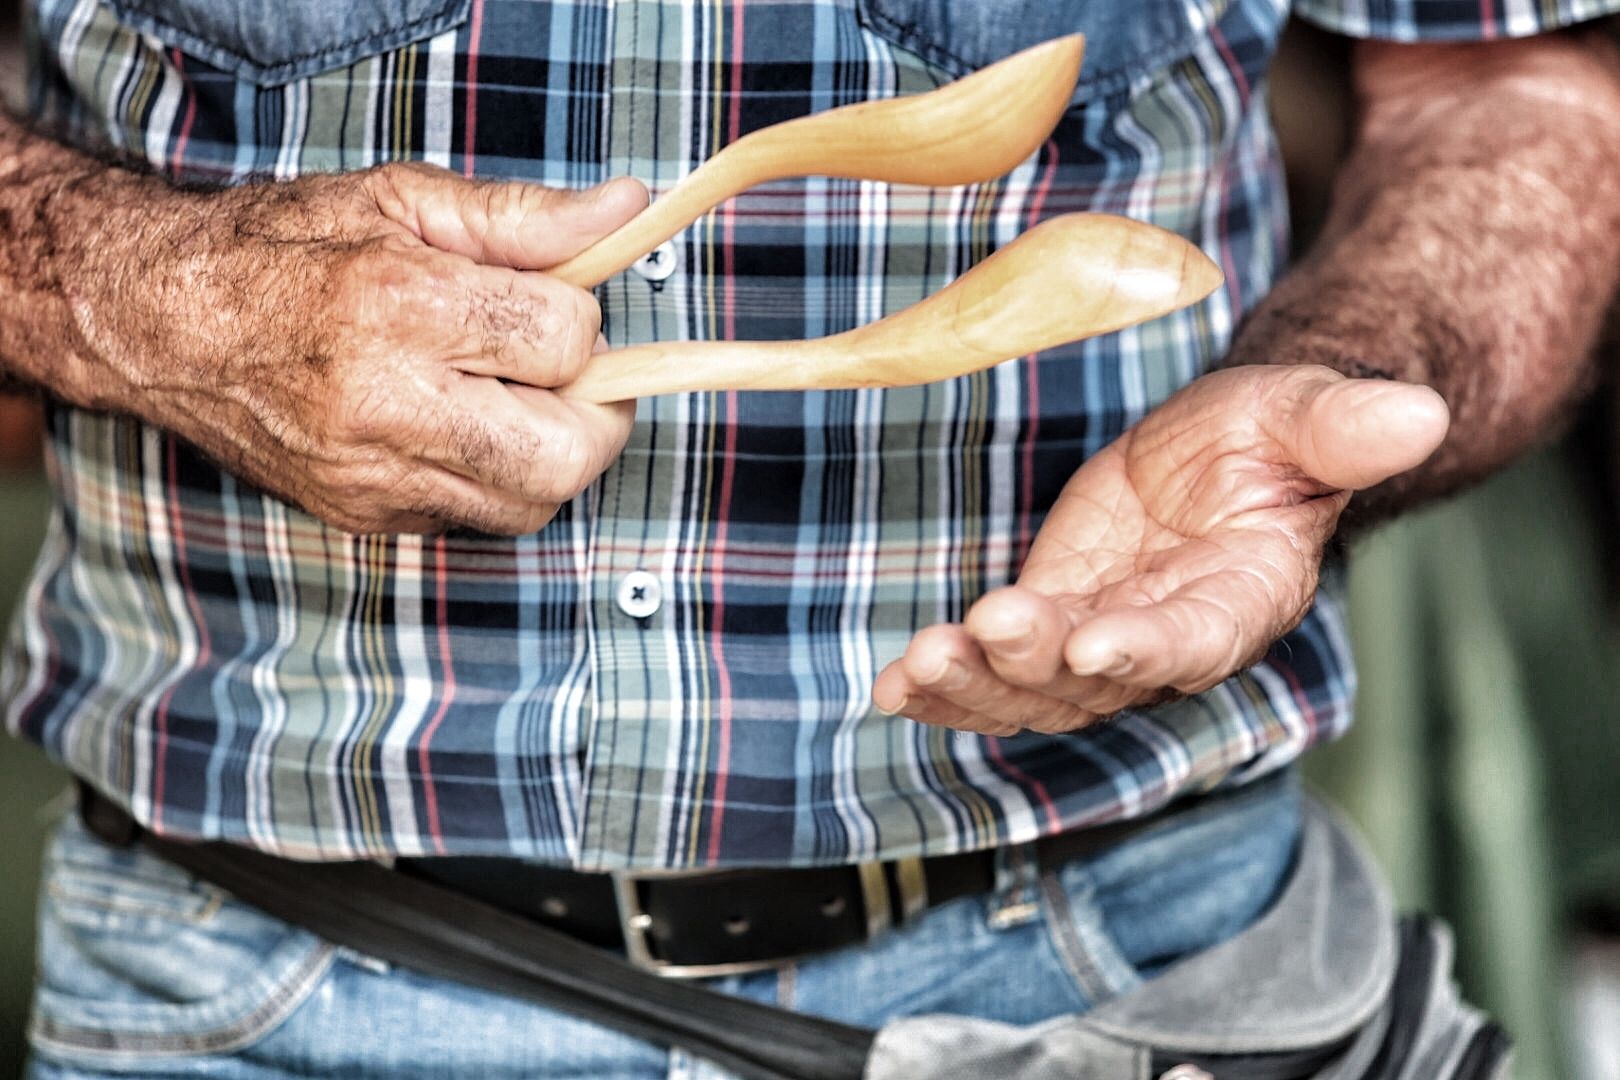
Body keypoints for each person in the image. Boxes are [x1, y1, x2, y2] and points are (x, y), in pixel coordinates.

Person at [2, 0, 1619, 1076]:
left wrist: (1343, 375)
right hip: (253, 992)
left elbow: (1514, 82)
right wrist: (137, 292)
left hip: (1139, 965)